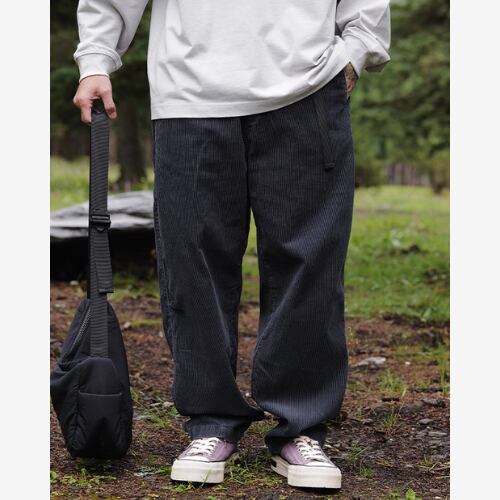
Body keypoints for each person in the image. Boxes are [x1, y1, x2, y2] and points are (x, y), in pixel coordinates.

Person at [73, 0, 390, 489]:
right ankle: (211, 421)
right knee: (192, 261)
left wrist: (356, 52)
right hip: (189, 95)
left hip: (307, 91)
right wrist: (96, 59)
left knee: (309, 260)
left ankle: (301, 425)